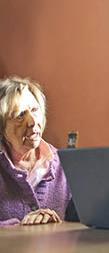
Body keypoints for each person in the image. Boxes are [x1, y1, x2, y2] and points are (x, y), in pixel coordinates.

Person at [0, 76, 71, 226]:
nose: (33, 122)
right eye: (19, 115)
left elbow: (83, 225)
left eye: (35, 110)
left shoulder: (65, 166)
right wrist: (20, 227)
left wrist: (56, 223)